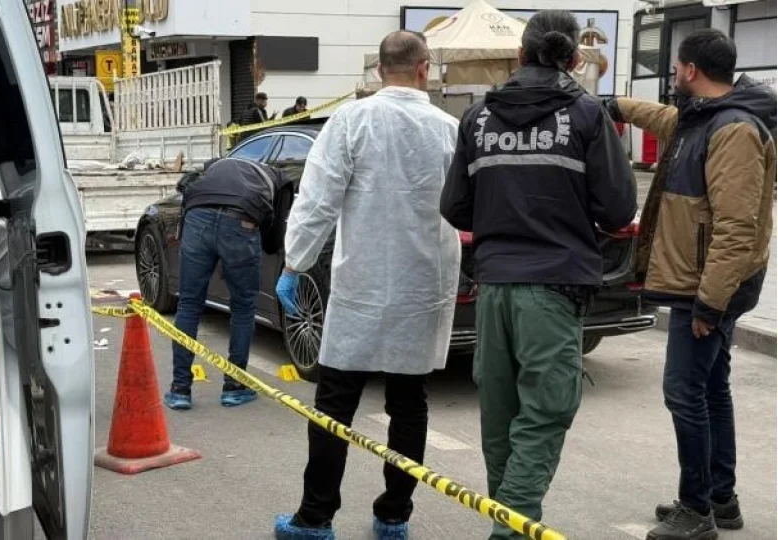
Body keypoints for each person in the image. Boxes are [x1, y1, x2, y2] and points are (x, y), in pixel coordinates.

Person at [439, 11, 636, 539]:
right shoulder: (587, 114)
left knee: (500, 417)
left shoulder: (477, 117)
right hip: (555, 286)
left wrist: (501, 212)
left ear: (519, 54)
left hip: (494, 286)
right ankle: (511, 531)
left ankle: (510, 521)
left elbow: (454, 207)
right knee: (545, 413)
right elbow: (619, 210)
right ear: (573, 58)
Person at [273, 30, 461, 540]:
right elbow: (466, 208)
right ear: (425, 68)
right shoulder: (449, 129)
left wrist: (295, 264)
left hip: (362, 282)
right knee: (409, 404)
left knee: (335, 403)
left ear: (379, 70)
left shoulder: (351, 121)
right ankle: (394, 516)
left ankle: (315, 517)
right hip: (423, 284)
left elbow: (317, 201)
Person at [603, 29, 775, 540]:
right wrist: (614, 105)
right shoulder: (703, 117)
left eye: (676, 67)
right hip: (702, 281)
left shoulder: (734, 130)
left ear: (691, 70)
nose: (674, 75)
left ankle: (697, 511)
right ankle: (721, 498)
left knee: (683, 392)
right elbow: (662, 117)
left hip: (705, 286)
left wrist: (709, 303)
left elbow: (736, 228)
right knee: (711, 387)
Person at [164, 157, 294, 410]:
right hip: (241, 221)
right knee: (243, 307)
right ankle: (235, 387)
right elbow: (274, 236)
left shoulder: (213, 168)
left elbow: (185, 187)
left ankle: (180, 390)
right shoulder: (281, 180)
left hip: (197, 216)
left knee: (189, 304)